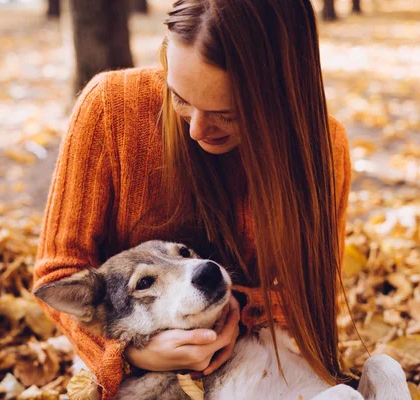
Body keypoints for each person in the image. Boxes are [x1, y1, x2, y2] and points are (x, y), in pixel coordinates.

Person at [32, 0, 351, 398]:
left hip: (253, 366)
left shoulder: (322, 149)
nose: (198, 129)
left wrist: (237, 307)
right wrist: (132, 353)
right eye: (179, 97)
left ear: (283, 97)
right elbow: (57, 273)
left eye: (227, 113)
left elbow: (309, 300)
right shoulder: (110, 108)